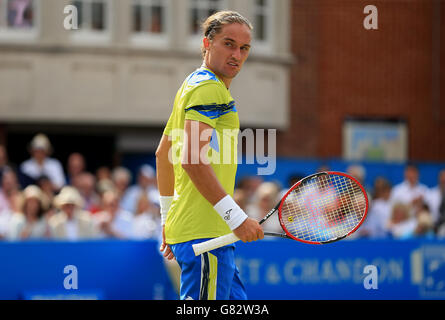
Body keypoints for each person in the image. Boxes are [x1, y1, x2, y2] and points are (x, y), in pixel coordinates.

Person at [156, 11, 263, 301]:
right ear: (207, 43)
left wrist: (168, 220)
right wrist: (237, 217)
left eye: (244, 48)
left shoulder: (192, 84)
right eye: (228, 44)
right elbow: (191, 158)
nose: (237, 55)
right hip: (208, 236)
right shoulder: (209, 88)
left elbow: (163, 153)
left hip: (199, 232)